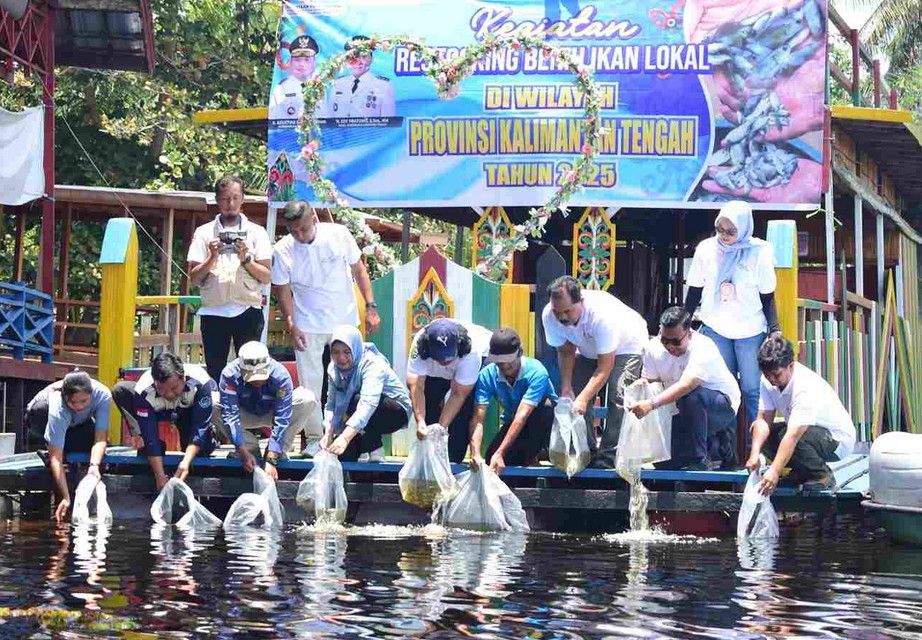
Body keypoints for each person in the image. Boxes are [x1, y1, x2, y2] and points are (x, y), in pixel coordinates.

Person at [271, 200, 381, 420]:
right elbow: (282, 290)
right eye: (293, 231)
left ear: (313, 219)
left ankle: (352, 431)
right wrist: (292, 324)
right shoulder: (282, 249)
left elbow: (359, 270)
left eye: (303, 229)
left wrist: (370, 307)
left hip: (344, 320)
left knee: (351, 379)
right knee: (309, 388)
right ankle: (314, 436)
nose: (300, 235)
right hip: (306, 323)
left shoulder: (338, 234)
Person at [684, 200, 779, 428]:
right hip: (716, 328)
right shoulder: (706, 249)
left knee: (752, 389)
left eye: (731, 231)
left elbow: (767, 295)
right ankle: (725, 442)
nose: (724, 236)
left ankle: (756, 443)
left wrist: (775, 329)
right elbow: (695, 289)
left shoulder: (760, 251)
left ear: (744, 228)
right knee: (723, 389)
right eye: (720, 229)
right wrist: (684, 322)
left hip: (750, 330)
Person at [541, 276, 648, 469]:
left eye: (567, 311)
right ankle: (585, 452)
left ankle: (609, 456)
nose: (562, 317)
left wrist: (583, 398)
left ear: (581, 302)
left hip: (627, 345)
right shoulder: (549, 315)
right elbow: (565, 350)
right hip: (587, 348)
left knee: (619, 395)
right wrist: (566, 387)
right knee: (574, 394)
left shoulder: (601, 316)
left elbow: (605, 367)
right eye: (558, 312)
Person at [630, 307, 741, 470]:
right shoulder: (652, 348)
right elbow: (650, 383)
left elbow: (687, 385)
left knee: (691, 396)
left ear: (689, 333)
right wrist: (637, 391)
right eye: (665, 340)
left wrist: (651, 404)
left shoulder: (703, 346)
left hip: (719, 407)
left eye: (675, 342)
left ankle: (701, 458)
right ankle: (708, 446)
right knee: (665, 463)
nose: (670, 346)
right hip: (681, 410)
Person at [188, 174, 273, 384]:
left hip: (248, 310)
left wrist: (247, 259)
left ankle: (250, 404)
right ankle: (218, 404)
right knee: (215, 371)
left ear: (243, 199)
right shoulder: (203, 232)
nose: (231, 204)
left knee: (252, 371)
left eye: (235, 198)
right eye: (225, 199)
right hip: (213, 311)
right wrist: (212, 257)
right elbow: (194, 278)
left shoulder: (257, 232)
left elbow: (266, 276)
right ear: (217, 200)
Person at [745, 336, 856, 494]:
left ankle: (822, 475)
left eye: (776, 375)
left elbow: (793, 436)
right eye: (767, 374)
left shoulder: (804, 386)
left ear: (790, 366)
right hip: (806, 434)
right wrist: (754, 454)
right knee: (757, 431)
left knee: (787, 435)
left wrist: (775, 470)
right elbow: (763, 420)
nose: (771, 380)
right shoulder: (767, 380)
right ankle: (802, 471)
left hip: (837, 442)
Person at [214, 341, 324, 481]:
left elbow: (282, 418)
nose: (257, 381)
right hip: (244, 413)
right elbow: (230, 417)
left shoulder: (280, 374)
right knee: (212, 403)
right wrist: (242, 451)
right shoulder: (229, 374)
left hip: (272, 412)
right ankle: (249, 447)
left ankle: (279, 449)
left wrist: (272, 458)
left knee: (307, 399)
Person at [112, 352, 217, 490]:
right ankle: (149, 446)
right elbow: (150, 436)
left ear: (183, 378)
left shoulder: (201, 382)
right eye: (162, 390)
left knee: (201, 449)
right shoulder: (143, 391)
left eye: (174, 388)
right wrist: (160, 476)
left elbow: (200, 426)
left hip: (188, 411)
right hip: (158, 411)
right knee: (150, 448)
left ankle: (213, 435)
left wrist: (185, 463)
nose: (169, 394)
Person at [25, 371, 111, 523]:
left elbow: (100, 438)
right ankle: (49, 444)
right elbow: (56, 458)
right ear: (65, 397)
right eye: (73, 402)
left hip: (77, 423)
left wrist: (94, 466)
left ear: (91, 394)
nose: (79, 406)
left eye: (84, 401)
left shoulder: (103, 395)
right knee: (56, 449)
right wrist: (66, 497)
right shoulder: (57, 407)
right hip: (40, 418)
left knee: (98, 446)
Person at [469, 328, 557, 474]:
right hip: (514, 423)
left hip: (546, 426)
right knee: (491, 459)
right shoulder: (486, 375)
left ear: (520, 353)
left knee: (545, 409)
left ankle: (541, 451)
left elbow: (522, 416)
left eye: (508, 361)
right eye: (499, 362)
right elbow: (478, 419)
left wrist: (500, 452)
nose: (504, 366)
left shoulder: (537, 372)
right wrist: (475, 453)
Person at [406, 318, 493, 464]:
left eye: (448, 357)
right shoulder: (420, 346)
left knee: (461, 416)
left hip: (475, 360)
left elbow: (458, 395)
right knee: (429, 411)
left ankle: (454, 457)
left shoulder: (471, 352)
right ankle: (431, 457)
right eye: (439, 357)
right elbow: (416, 386)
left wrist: (441, 428)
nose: (444, 361)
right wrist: (420, 421)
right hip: (434, 371)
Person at [321, 325, 411, 462]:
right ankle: (365, 450)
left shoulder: (372, 363)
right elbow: (331, 405)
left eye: (346, 352)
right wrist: (328, 434)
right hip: (361, 414)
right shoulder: (333, 369)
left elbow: (368, 404)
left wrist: (345, 438)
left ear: (355, 348)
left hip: (394, 411)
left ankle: (375, 448)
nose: (341, 358)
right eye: (336, 352)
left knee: (355, 400)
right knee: (342, 454)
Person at [322, 35, 396, 118]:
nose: (359, 61)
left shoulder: (383, 86)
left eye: (364, 56)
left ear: (371, 59)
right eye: (354, 57)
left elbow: (389, 121)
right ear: (347, 60)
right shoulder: (338, 84)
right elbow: (330, 119)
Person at [269, 35, 320, 121]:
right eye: (297, 60)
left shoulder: (321, 88)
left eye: (307, 60)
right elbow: (274, 122)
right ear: (291, 61)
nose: (302, 64)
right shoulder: (281, 89)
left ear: (314, 62)